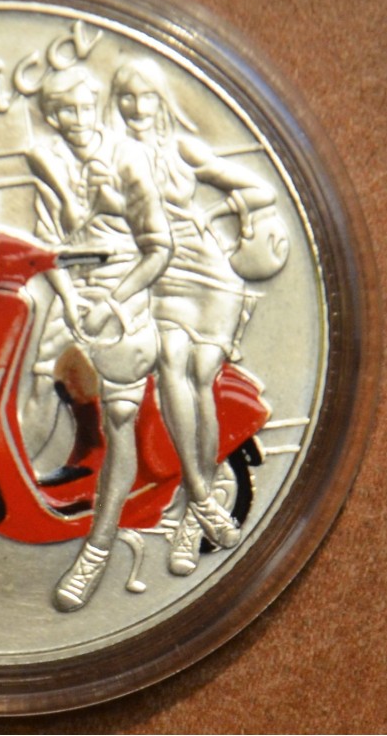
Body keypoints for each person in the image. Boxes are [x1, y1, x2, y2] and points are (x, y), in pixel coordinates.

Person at [109, 58, 277, 575]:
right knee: (170, 367)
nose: (137, 107)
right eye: (126, 98)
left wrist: (216, 212)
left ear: (161, 100)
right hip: (165, 279)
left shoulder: (183, 149)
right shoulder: (117, 157)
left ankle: (189, 520)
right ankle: (203, 498)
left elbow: (262, 190)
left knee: (202, 383)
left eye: (145, 96)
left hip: (214, 278)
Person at [26, 66, 172, 611]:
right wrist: (67, 298)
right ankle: (35, 497)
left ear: (98, 108)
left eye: (86, 107)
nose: (78, 119)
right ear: (52, 116)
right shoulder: (46, 164)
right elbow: (47, 246)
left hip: (123, 298)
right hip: (72, 295)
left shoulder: (128, 158)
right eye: (65, 110)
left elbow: (158, 247)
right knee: (37, 387)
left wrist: (114, 301)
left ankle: (98, 548)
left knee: (119, 420)